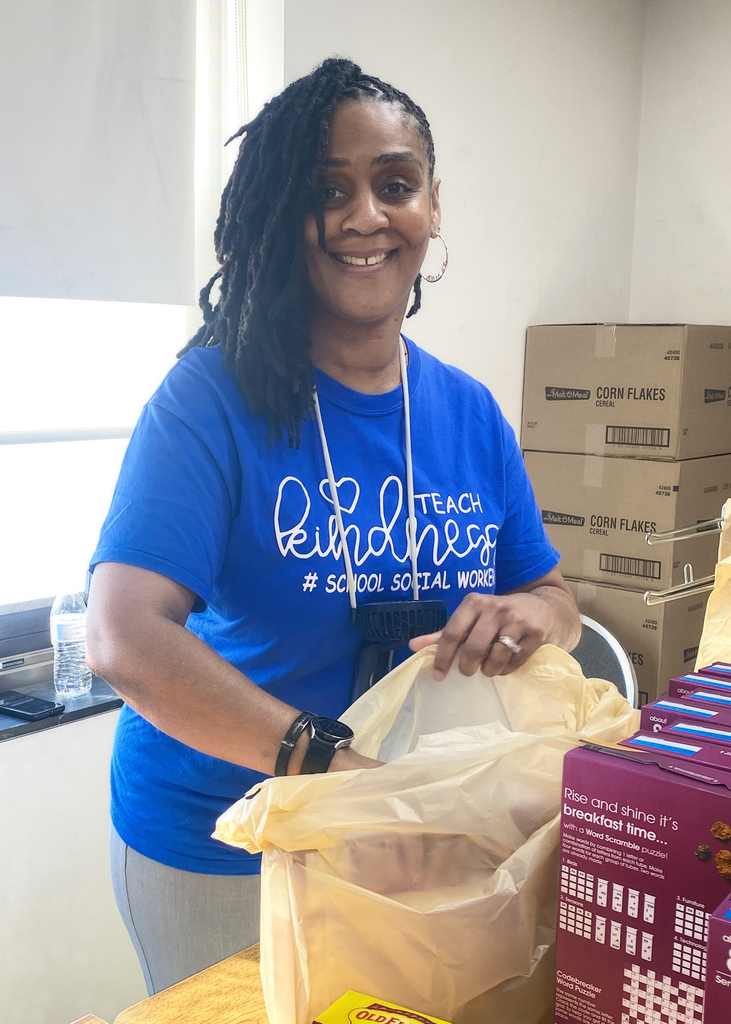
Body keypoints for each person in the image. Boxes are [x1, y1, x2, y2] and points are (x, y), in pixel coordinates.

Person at [86, 57, 580, 995]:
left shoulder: (468, 411)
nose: (365, 216)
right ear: (285, 214)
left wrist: (527, 616)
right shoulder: (210, 401)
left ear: (433, 206)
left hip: (409, 839)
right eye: (328, 190)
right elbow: (123, 638)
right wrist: (335, 768)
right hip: (228, 842)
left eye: (394, 185)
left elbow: (553, 596)